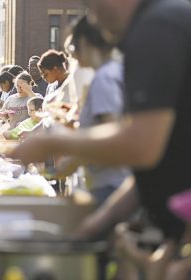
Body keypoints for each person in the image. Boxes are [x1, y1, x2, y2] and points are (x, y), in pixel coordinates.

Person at [11, 0, 191, 261]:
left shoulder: (156, 27)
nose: (93, 19)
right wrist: (102, 220)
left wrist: (58, 144)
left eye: (92, 7)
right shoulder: (162, 22)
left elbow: (142, 147)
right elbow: (161, 157)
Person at [56, 16, 131, 206]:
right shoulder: (112, 72)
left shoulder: (104, 78)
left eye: (72, 48)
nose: (71, 55)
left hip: (108, 185)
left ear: (83, 42)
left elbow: (113, 136)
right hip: (109, 181)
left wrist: (71, 161)